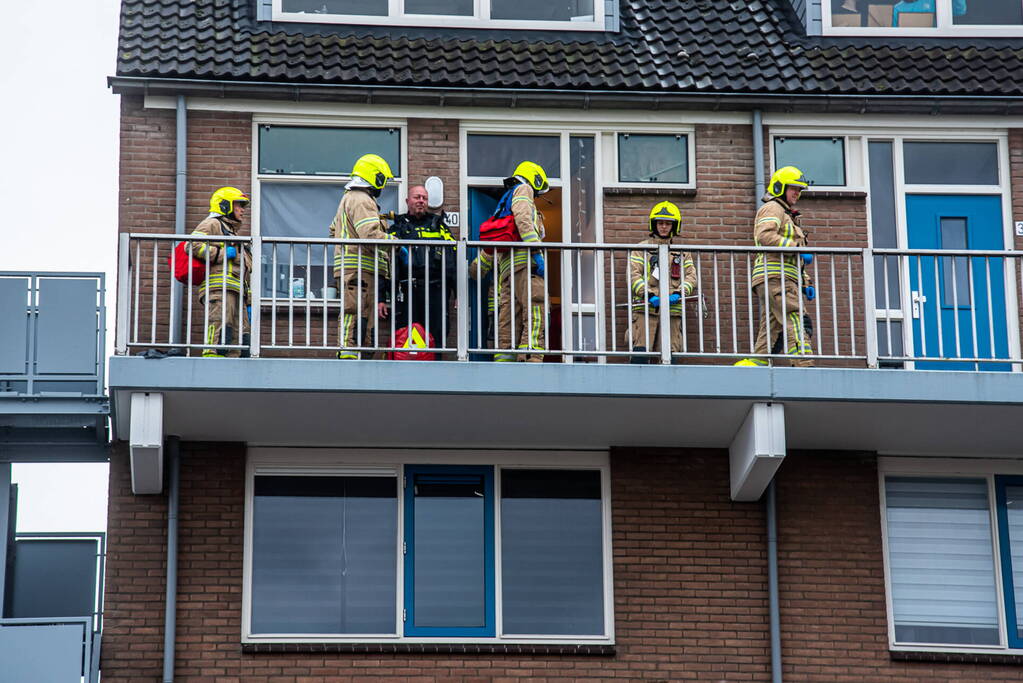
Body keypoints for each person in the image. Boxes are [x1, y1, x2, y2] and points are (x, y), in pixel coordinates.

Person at [736, 166, 815, 367]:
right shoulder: (773, 208)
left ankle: (757, 363)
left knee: (772, 326)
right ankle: (804, 364)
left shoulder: (788, 214)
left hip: (781, 277)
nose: (797, 193)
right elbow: (765, 235)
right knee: (796, 317)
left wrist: (806, 282)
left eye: (800, 189)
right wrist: (797, 247)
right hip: (776, 277)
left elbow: (793, 260)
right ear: (780, 188)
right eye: (793, 188)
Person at [471, 161, 548, 362]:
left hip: (507, 270)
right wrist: (536, 251)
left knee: (508, 319)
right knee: (536, 309)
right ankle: (531, 358)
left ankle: (505, 360)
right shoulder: (524, 189)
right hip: (527, 264)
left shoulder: (504, 201)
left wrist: (474, 267)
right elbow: (523, 219)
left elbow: (483, 261)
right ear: (535, 179)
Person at [329, 153, 399, 359]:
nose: (383, 185)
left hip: (359, 269)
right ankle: (349, 352)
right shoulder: (362, 200)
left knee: (364, 312)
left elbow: (333, 230)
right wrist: (395, 242)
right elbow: (369, 235)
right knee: (355, 310)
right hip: (359, 269)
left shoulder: (349, 198)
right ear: (374, 177)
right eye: (382, 180)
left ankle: (360, 353)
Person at [388, 184, 455, 352]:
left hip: (436, 291)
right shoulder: (397, 227)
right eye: (417, 197)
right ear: (407, 201)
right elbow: (386, 263)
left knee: (437, 335)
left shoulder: (439, 226)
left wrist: (458, 293)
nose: (421, 201)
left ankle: (435, 365)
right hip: (407, 290)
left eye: (424, 198)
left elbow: (451, 260)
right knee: (405, 336)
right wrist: (382, 296)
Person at [628, 201, 697, 363]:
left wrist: (679, 293)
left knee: (670, 356)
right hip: (645, 309)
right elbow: (633, 275)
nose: (664, 227)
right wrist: (649, 295)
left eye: (668, 223)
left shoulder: (682, 253)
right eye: (660, 223)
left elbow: (691, 277)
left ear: (674, 226)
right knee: (640, 354)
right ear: (654, 225)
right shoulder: (641, 249)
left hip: (672, 311)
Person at [187, 187, 252, 358]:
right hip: (219, 289)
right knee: (220, 324)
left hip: (238, 293)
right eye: (239, 205)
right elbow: (192, 245)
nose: (242, 210)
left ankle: (234, 364)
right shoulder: (213, 224)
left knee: (241, 334)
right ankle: (212, 357)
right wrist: (222, 253)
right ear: (225, 205)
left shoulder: (234, 234)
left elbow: (245, 273)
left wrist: (249, 301)